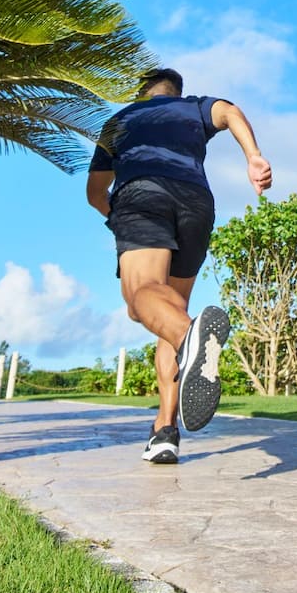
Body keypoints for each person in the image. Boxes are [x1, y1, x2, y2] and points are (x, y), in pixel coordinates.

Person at [88, 68, 273, 464]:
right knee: (167, 310)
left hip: (143, 197)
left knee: (141, 298)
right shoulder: (193, 108)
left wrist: (117, 215)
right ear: (176, 91)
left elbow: (95, 191)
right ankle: (164, 431)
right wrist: (254, 157)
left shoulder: (120, 120)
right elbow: (230, 112)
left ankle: (191, 338)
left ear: (142, 95)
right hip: (196, 203)